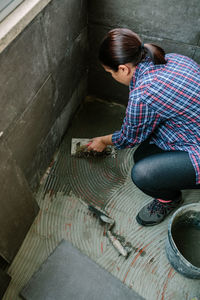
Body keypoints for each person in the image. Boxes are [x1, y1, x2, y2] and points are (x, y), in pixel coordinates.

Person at [87, 28, 200, 226]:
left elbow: (128, 138)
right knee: (142, 155)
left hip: (196, 144)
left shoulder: (144, 94)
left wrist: (103, 141)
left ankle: (169, 199)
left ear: (123, 69)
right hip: (191, 129)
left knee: (142, 174)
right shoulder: (172, 58)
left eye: (110, 73)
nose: (111, 76)